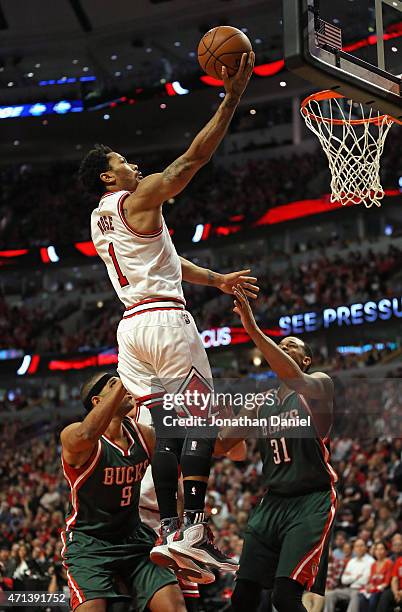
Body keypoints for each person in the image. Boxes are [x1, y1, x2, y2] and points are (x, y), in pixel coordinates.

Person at [78, 51, 256, 582]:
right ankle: (197, 528)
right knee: (197, 418)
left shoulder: (101, 218)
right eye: (122, 160)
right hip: (165, 322)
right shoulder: (138, 198)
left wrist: (218, 279)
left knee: (167, 426)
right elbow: (189, 163)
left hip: (131, 329)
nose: (132, 162)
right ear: (110, 178)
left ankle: (173, 530)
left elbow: (169, 262)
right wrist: (231, 98)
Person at [217, 285, 338, 612]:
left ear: (306, 359)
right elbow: (222, 444)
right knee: (242, 598)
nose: (284, 347)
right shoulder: (259, 403)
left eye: (291, 345)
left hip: (310, 500)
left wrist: (254, 330)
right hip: (272, 502)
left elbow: (296, 379)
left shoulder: (319, 385)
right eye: (280, 344)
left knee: (284, 597)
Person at [60, 371, 186, 612]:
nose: (124, 385)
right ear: (98, 402)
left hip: (134, 538)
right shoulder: (75, 436)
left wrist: (175, 527)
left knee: (175, 606)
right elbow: (86, 434)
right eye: (113, 384)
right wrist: (125, 373)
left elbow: (173, 480)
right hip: (90, 544)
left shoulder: (144, 435)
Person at [324, 539, 374, 612]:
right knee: (330, 594)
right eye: (357, 546)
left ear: (365, 548)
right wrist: (356, 576)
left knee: (355, 596)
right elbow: (344, 580)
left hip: (360, 589)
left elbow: (364, 580)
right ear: (354, 549)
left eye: (361, 546)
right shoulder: (352, 561)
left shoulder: (370, 561)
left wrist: (351, 577)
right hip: (349, 588)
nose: (359, 548)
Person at [358, 541, 393, 612]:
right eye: (377, 549)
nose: (379, 551)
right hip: (373, 589)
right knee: (361, 598)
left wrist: (376, 588)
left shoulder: (389, 563)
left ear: (386, 551)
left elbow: (387, 582)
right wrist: (369, 586)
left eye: (381, 549)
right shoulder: (373, 564)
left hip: (383, 590)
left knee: (373, 597)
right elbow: (371, 580)